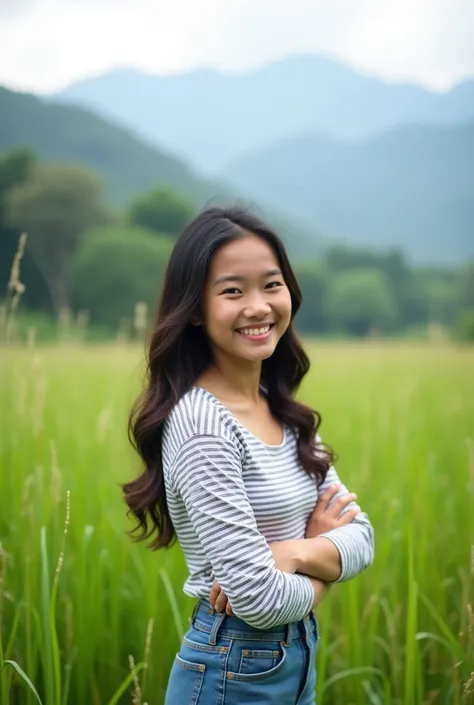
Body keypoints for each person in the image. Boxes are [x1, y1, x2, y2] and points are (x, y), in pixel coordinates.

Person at [123, 207, 375, 705]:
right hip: (230, 672)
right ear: (194, 308)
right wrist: (323, 566)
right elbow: (258, 600)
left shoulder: (283, 412)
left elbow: (363, 536)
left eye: (272, 285)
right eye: (233, 291)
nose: (258, 307)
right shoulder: (202, 423)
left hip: (296, 659)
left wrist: (295, 553)